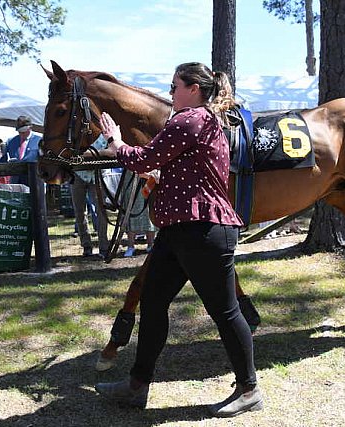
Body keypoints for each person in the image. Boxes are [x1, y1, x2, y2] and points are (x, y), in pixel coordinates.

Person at [95, 62, 261, 417]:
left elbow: (146, 157)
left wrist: (114, 141)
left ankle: (249, 389)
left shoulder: (190, 119)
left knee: (226, 311)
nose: (169, 93)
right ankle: (137, 385)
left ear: (194, 89)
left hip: (201, 230)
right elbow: (169, 165)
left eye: (174, 87)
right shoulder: (200, 122)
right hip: (181, 230)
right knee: (153, 302)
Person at [70, 134, 109, 258]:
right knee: (79, 211)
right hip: (77, 174)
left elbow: (110, 151)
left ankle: (104, 246)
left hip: (97, 175)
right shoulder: (76, 132)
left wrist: (86, 154)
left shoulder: (103, 133)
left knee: (101, 211)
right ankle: (86, 246)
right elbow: (71, 153)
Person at [119, 170, 157, 257]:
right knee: (130, 207)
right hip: (130, 174)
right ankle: (130, 246)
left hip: (149, 173)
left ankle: (151, 244)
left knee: (149, 207)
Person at [0, 115, 42, 185]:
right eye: (19, 132)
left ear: (30, 128)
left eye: (24, 131)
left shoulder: (39, 141)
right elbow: (3, 161)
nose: (21, 134)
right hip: (15, 181)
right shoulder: (11, 142)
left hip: (34, 180)